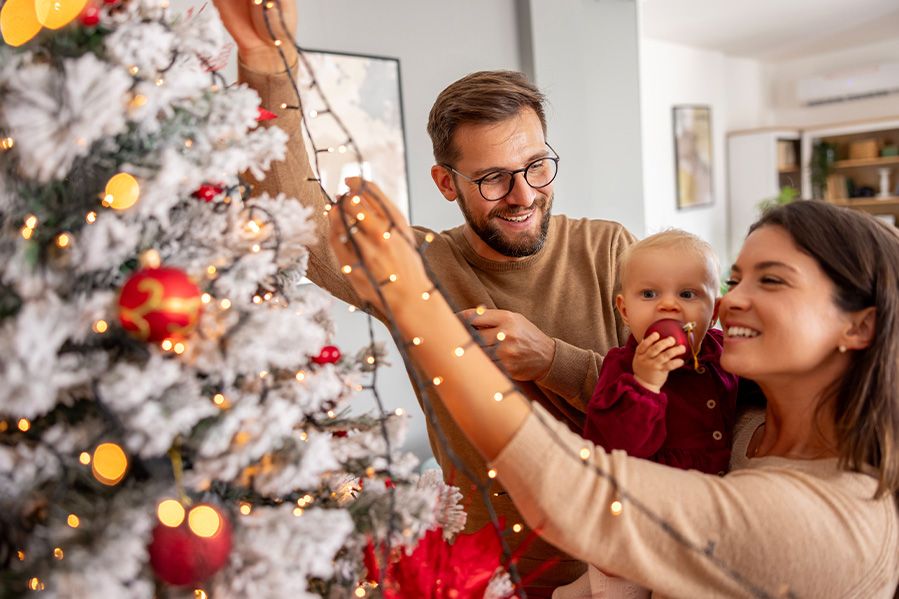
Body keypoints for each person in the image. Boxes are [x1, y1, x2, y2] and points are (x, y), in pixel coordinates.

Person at [214, 2, 635, 592]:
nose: (522, 195)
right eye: (492, 178)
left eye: (536, 165)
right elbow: (300, 226)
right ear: (446, 183)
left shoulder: (611, 249)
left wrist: (553, 361)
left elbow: (671, 403)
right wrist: (266, 66)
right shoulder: (416, 262)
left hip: (620, 567)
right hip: (489, 576)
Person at [329, 189, 899, 597]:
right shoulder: (755, 409)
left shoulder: (832, 519)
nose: (726, 304)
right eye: (734, 281)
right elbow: (619, 396)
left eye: (770, 280)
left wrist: (412, 300)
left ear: (859, 327)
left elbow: (578, 492)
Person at [556, 230, 739, 598]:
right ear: (625, 311)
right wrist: (646, 384)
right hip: (636, 524)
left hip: (699, 522)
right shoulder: (621, 368)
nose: (668, 306)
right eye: (649, 294)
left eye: (687, 294)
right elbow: (613, 446)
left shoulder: (726, 356)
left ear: (714, 312)